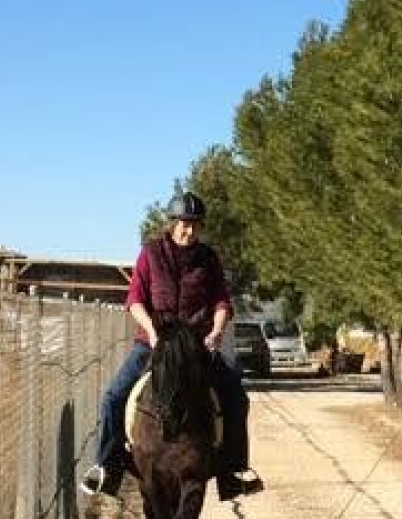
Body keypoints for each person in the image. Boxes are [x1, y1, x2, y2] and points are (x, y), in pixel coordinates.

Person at [81, 192, 265, 501]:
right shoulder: (150, 254)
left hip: (196, 346)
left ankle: (234, 471)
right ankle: (107, 467)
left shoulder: (208, 259)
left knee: (235, 395)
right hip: (154, 342)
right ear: (172, 223)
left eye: (195, 225)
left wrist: (217, 331)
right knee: (114, 396)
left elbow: (221, 301)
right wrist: (152, 332)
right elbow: (135, 300)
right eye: (184, 224)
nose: (189, 231)